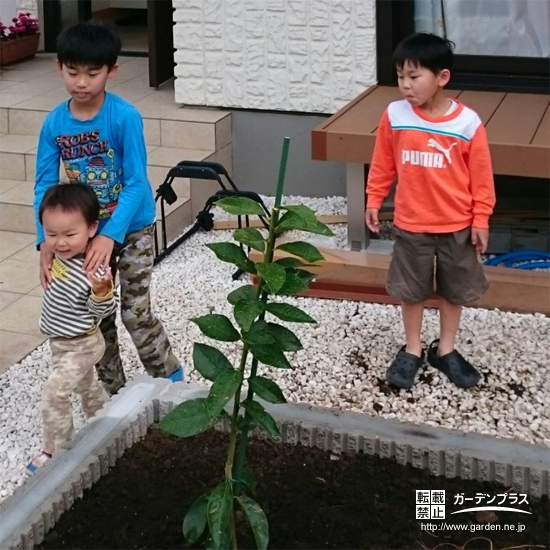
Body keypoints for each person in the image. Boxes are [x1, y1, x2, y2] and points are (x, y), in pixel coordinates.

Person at [33, 22, 183, 395]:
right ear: (59, 68)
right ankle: (114, 394)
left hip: (131, 228)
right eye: (73, 72)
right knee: (95, 316)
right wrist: (45, 242)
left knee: (135, 312)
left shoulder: (124, 117)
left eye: (92, 73)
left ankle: (173, 384)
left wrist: (110, 234)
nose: (81, 82)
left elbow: (136, 182)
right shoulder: (54, 123)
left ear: (111, 70)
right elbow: (43, 186)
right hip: (83, 234)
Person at [365, 32, 496, 390]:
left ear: (442, 77)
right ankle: (413, 348)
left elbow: (482, 178)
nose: (405, 86)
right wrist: (374, 199)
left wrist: (481, 218)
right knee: (411, 289)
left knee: (455, 290)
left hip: (458, 224)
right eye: (400, 77)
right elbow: (383, 163)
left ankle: (446, 349)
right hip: (411, 223)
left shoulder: (467, 123)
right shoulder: (395, 115)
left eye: (414, 76)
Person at [27, 184, 115, 473]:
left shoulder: (95, 267)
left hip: (83, 343)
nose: (60, 243)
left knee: (55, 393)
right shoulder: (54, 256)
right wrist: (47, 247)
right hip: (59, 341)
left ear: (91, 228)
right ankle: (109, 419)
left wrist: (101, 290)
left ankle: (57, 453)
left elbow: (102, 311)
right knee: (87, 387)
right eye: (51, 234)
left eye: (69, 234)